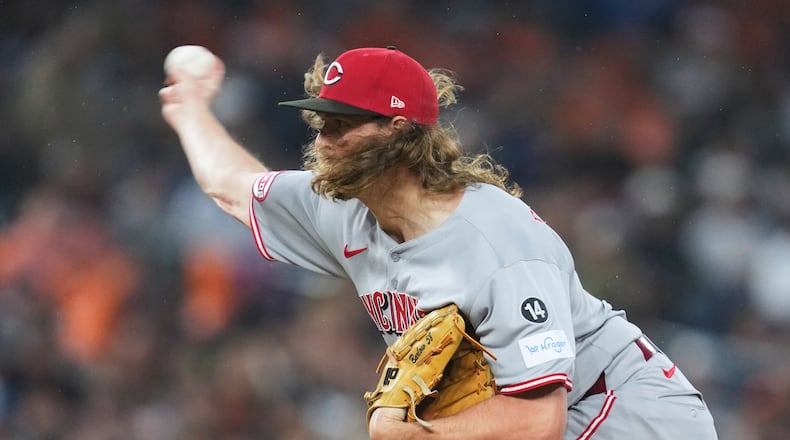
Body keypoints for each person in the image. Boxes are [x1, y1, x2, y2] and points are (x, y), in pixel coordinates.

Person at [159, 46, 718, 439]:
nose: (323, 140)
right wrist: (190, 111)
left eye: (343, 124)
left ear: (400, 131)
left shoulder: (494, 244)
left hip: (627, 415)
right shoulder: (345, 209)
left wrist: (407, 435)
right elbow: (231, 189)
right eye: (321, 122)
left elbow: (536, 422)